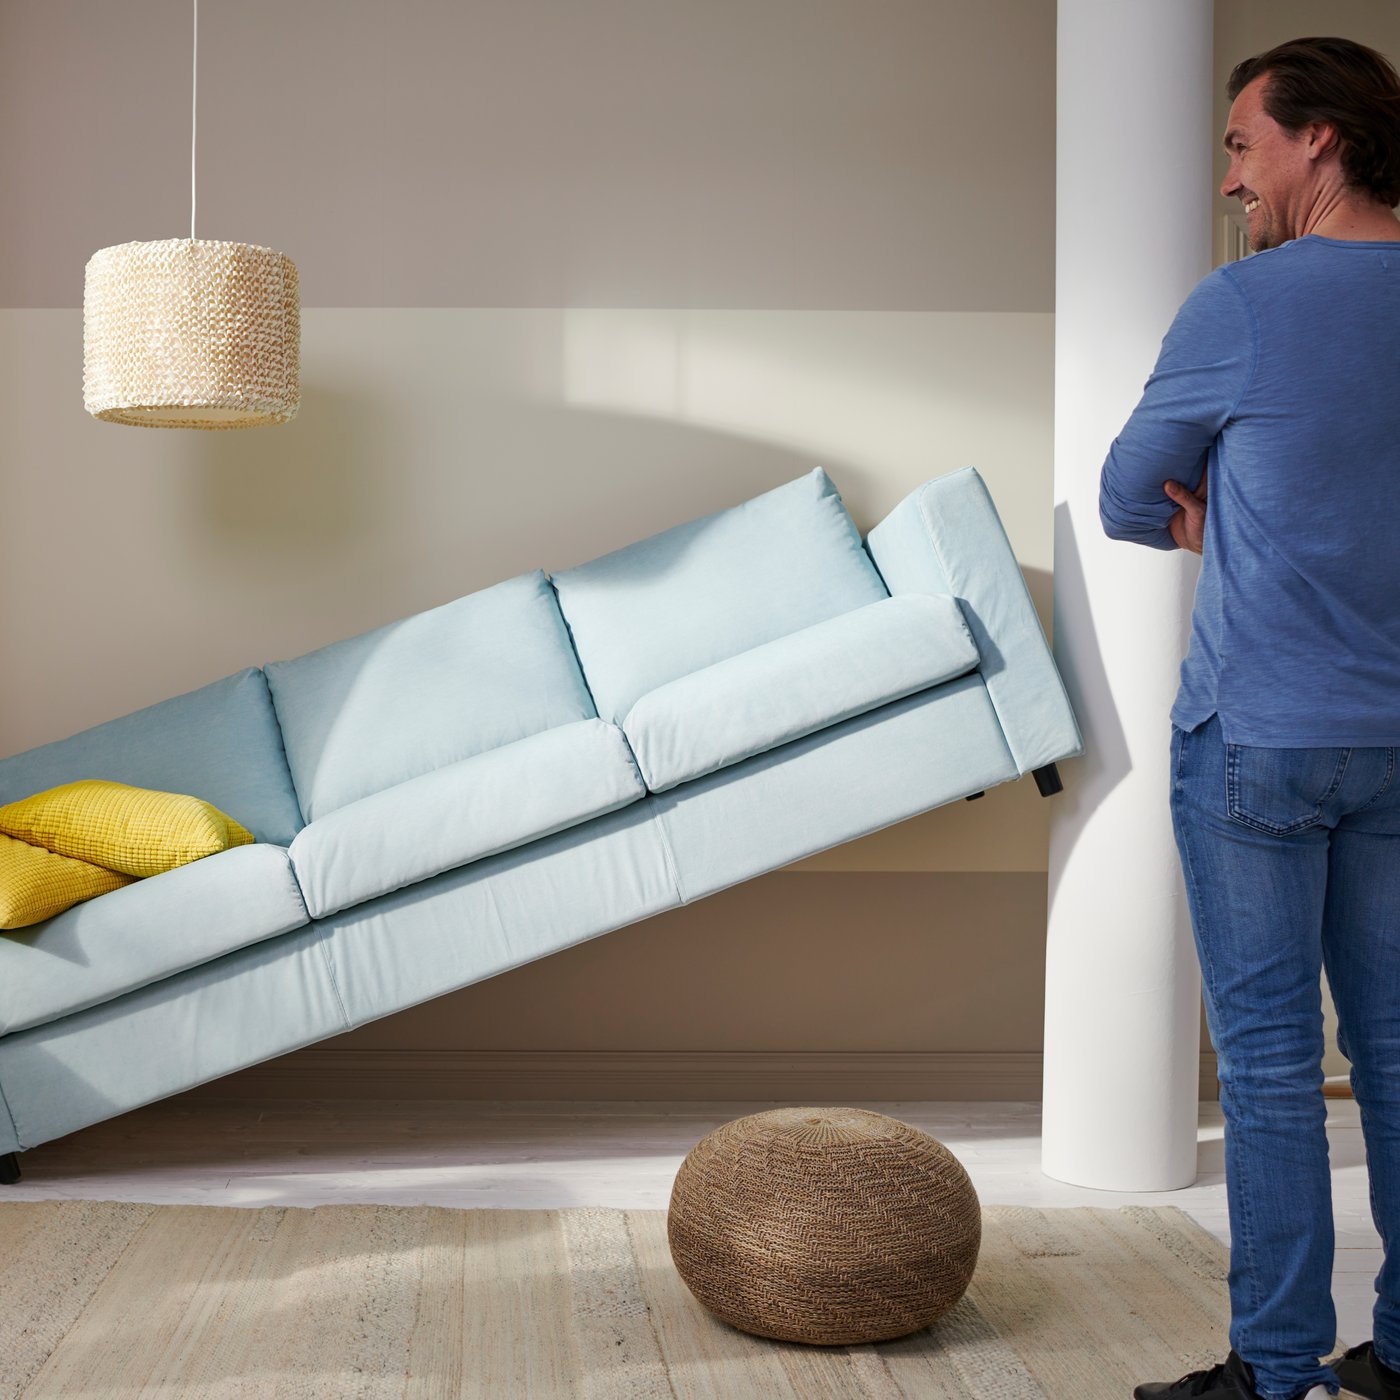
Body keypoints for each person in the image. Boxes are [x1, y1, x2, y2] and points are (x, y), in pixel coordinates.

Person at [1098, 35, 1400, 1400]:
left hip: (1263, 735)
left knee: (1274, 1067)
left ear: (1317, 141)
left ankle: (1275, 1371)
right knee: (1396, 1051)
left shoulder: (1250, 303)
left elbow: (1124, 493)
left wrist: (1230, 506)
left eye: (1241, 143)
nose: (1232, 177)